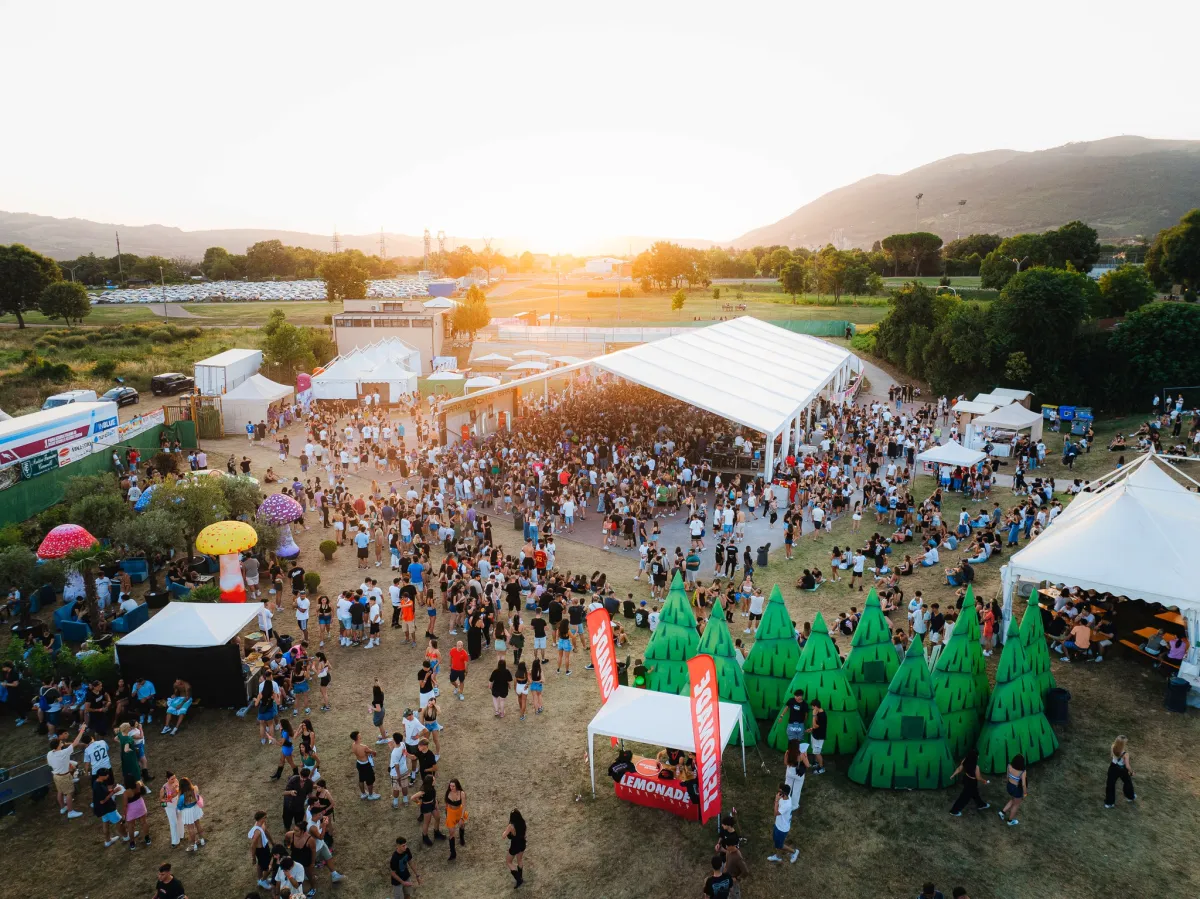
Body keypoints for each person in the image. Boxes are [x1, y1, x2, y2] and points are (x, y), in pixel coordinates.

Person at [48, 723, 87, 819]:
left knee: (60, 792)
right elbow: (76, 742)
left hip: (56, 775)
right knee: (69, 793)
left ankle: (62, 808)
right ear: (57, 746)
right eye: (60, 743)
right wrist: (82, 730)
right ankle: (70, 811)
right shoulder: (63, 752)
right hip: (64, 776)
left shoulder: (49, 753)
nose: (61, 743)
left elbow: (50, 764)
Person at [91, 767, 128, 847]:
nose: (108, 776)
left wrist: (111, 790)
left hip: (102, 810)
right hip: (107, 808)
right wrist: (114, 791)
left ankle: (108, 841)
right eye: (107, 775)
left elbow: (104, 793)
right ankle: (126, 836)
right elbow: (103, 801)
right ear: (101, 776)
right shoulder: (98, 786)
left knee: (105, 822)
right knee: (120, 821)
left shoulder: (97, 782)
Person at [949, 749, 990, 816]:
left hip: (966, 779)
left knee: (975, 793)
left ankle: (981, 804)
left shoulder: (965, 760)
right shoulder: (976, 767)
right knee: (964, 798)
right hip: (971, 782)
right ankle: (954, 811)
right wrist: (984, 781)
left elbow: (959, 768)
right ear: (976, 757)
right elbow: (978, 777)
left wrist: (953, 775)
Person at [766, 783, 799, 864]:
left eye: (779, 791)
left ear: (783, 793)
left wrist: (776, 800)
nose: (777, 793)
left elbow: (775, 813)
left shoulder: (787, 805)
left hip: (782, 828)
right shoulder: (784, 797)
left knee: (779, 845)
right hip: (778, 824)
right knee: (775, 840)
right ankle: (778, 856)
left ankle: (794, 852)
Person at [1104, 735, 1137, 808]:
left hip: (1113, 767)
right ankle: (1130, 797)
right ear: (1123, 744)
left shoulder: (1112, 746)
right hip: (1122, 769)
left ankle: (1109, 803)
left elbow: (1112, 756)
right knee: (1127, 782)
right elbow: (1127, 766)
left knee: (1110, 785)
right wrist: (1131, 772)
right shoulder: (1126, 754)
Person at [177, 775, 206, 851]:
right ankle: (202, 840)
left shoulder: (182, 796)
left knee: (190, 829)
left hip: (187, 812)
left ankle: (193, 845)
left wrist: (179, 809)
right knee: (198, 824)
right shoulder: (194, 790)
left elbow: (179, 806)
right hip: (195, 809)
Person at [350, 730, 380, 800]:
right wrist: (373, 752)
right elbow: (373, 753)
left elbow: (362, 754)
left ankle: (363, 794)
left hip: (359, 763)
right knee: (370, 780)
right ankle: (371, 795)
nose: (360, 734)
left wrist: (366, 754)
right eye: (359, 734)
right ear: (357, 737)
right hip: (366, 765)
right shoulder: (363, 747)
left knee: (361, 779)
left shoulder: (353, 745)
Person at [249, 810, 274, 890]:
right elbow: (253, 846)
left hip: (265, 846)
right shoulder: (257, 832)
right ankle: (263, 881)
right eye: (264, 817)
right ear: (260, 819)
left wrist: (272, 842)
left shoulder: (262, 824)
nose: (266, 818)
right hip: (260, 850)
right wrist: (253, 858)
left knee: (260, 863)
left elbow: (266, 832)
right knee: (270, 866)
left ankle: (260, 879)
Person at [999, 754, 1027, 826]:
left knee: (1013, 800)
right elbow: (1023, 784)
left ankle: (1002, 812)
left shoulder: (1009, 766)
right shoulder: (1022, 772)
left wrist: (1007, 783)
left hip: (1009, 786)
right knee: (1016, 804)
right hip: (1016, 789)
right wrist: (1025, 793)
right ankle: (1010, 821)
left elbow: (1007, 776)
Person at [503, 809, 527, 888]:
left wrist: (507, 830)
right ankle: (520, 877)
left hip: (515, 845)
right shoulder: (522, 822)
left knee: (509, 862)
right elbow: (524, 834)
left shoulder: (511, 826)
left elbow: (503, 836)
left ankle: (518, 879)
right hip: (522, 843)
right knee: (519, 860)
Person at [444, 778, 467, 861]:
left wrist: (461, 817)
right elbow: (446, 804)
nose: (451, 788)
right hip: (451, 813)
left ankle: (461, 837)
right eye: (450, 786)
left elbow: (464, 806)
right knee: (451, 833)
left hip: (459, 811)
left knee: (462, 825)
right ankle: (453, 853)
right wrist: (447, 814)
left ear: (457, 786)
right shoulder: (448, 793)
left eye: (453, 786)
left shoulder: (462, 793)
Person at [809, 698, 827, 774]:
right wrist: (811, 729)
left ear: (816, 706)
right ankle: (816, 763)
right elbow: (815, 725)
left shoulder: (822, 715)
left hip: (819, 737)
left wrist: (813, 715)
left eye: (813, 707)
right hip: (815, 735)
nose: (812, 708)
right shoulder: (819, 713)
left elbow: (815, 725)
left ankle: (821, 767)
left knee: (817, 752)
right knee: (814, 750)